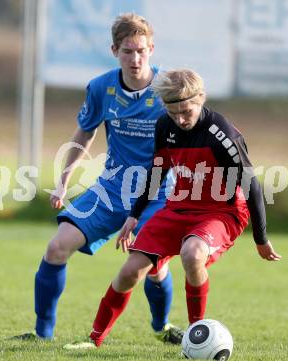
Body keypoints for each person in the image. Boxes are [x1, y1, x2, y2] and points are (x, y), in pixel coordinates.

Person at [70, 69, 282, 349]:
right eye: (174, 113)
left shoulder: (222, 135)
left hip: (221, 212)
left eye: (186, 111)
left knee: (192, 254)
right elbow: (157, 172)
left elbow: (252, 186)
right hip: (179, 206)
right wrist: (134, 215)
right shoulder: (164, 126)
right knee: (130, 271)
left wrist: (261, 239)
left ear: (201, 99)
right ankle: (94, 339)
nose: (181, 119)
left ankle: (198, 337)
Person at [12, 13, 183, 345]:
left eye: (141, 51)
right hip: (112, 188)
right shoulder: (101, 87)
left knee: (151, 265)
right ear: (114, 51)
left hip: (158, 193)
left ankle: (161, 326)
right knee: (57, 246)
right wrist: (63, 180)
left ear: (152, 49)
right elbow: (83, 136)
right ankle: (42, 333)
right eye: (127, 51)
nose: (135, 59)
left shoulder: (168, 91)